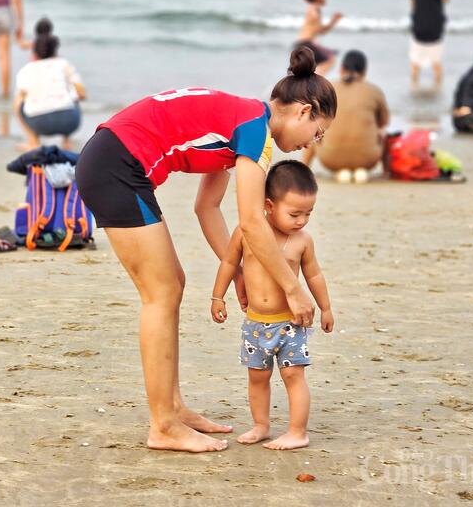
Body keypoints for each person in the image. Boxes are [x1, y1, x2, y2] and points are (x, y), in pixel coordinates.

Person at [73, 46, 336, 453]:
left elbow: (207, 207)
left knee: (171, 284)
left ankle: (173, 408)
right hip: (117, 165)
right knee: (160, 293)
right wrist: (293, 287)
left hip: (111, 159)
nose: (309, 146)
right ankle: (162, 425)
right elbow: (251, 221)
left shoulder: (244, 122)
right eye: (317, 133)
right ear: (303, 111)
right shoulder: (256, 132)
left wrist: (243, 272)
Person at [210, 161, 333, 450]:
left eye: (308, 214)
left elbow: (314, 274)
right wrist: (217, 296)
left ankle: (297, 431)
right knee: (257, 378)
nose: (302, 221)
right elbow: (229, 263)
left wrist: (325, 308)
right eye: (294, 214)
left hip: (290, 323)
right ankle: (261, 426)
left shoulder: (302, 241)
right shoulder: (246, 232)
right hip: (254, 323)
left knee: (293, 375)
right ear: (268, 205)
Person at [302, 50, 389, 183]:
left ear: (341, 69)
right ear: (364, 72)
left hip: (330, 159)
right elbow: (384, 123)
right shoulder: (374, 90)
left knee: (314, 127)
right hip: (368, 159)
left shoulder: (326, 88)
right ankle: (385, 171)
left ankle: (303, 168)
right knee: (382, 132)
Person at [13, 26, 85, 151]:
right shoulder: (64, 64)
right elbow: (81, 92)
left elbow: (21, 97)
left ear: (34, 53)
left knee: (18, 99)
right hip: (69, 121)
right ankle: (67, 141)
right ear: (55, 51)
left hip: (38, 122)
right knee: (72, 94)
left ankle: (33, 141)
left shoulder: (26, 70)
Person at [407, 0, 449, 87]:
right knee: (436, 63)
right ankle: (437, 89)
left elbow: (412, 1)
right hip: (435, 26)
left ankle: (414, 87)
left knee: (415, 62)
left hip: (419, 25)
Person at [296, 0, 341, 77]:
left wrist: (333, 21)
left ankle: (311, 81)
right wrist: (314, 16)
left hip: (303, 44)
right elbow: (314, 17)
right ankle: (315, 82)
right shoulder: (313, 8)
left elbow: (321, 31)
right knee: (330, 59)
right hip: (306, 44)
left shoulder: (316, 9)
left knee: (328, 58)